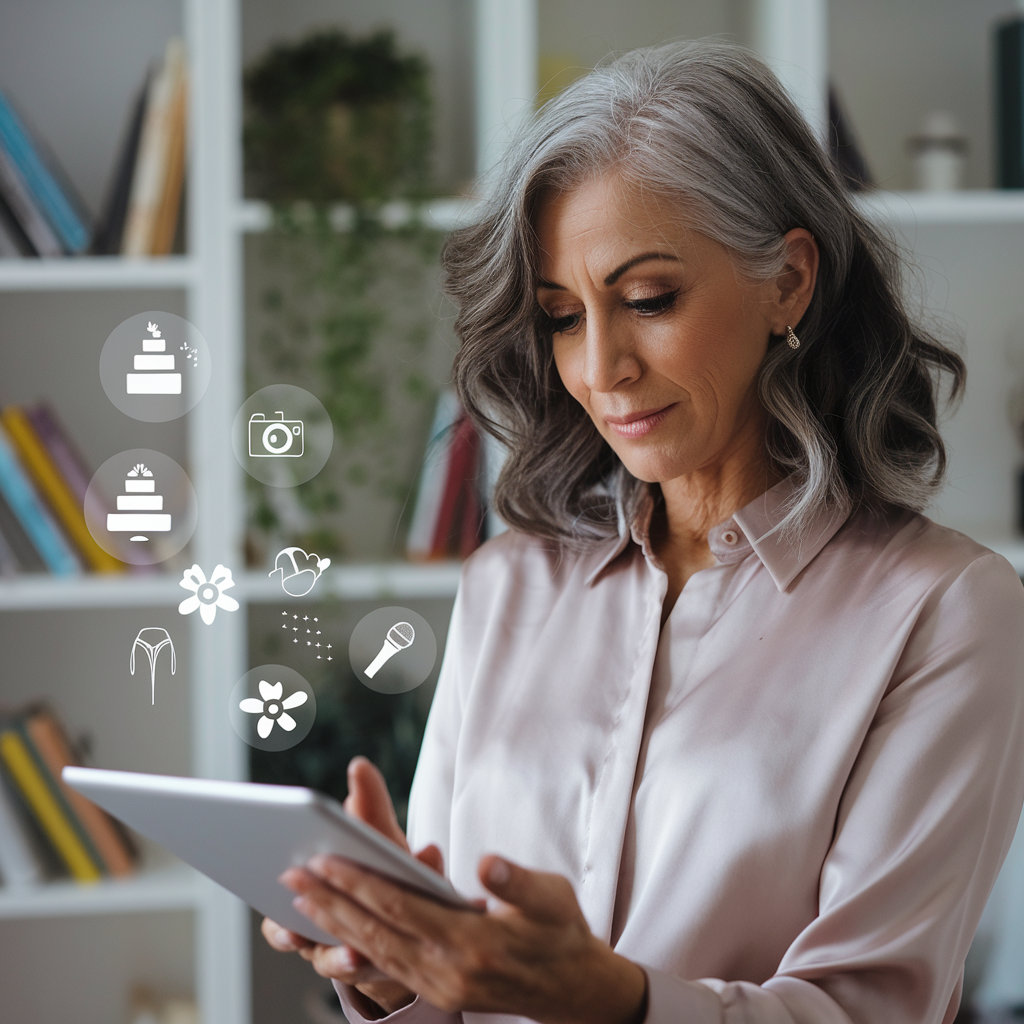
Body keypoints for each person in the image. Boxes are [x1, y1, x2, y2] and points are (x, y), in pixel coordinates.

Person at [262, 40, 1024, 1024]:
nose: (602, 367)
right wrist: (390, 969)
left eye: (648, 299)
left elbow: (870, 1008)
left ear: (788, 280)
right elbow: (445, 983)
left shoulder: (948, 611)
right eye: (562, 316)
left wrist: (615, 1001)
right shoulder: (507, 583)